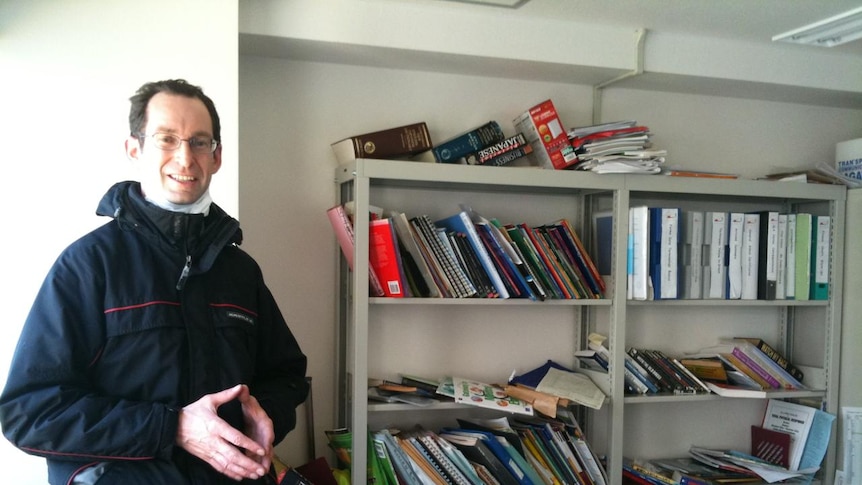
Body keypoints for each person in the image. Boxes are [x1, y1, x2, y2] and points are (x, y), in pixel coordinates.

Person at [0, 79, 309, 484]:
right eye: (167, 139)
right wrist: (172, 427)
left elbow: (286, 374)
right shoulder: (88, 265)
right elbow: (30, 412)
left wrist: (267, 413)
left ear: (217, 157)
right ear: (135, 149)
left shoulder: (240, 271)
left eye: (200, 142)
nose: (185, 158)